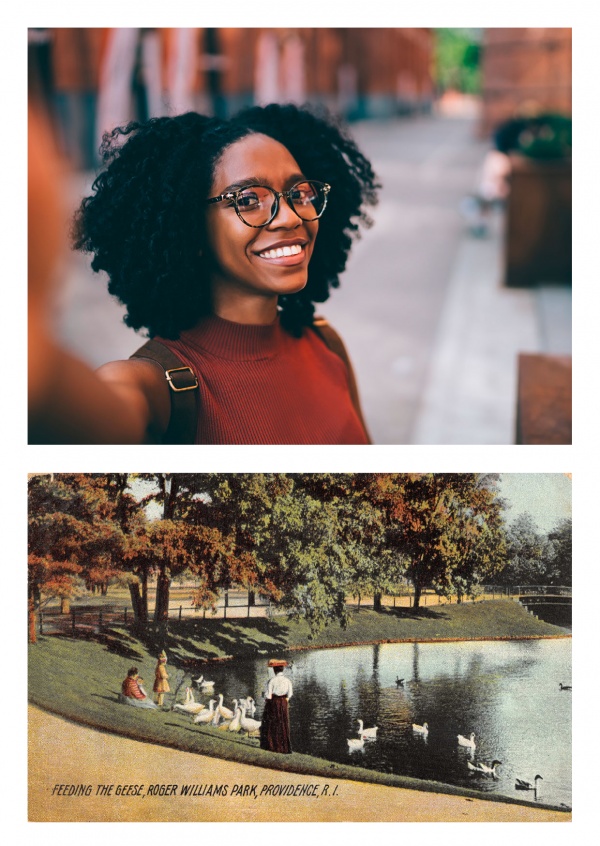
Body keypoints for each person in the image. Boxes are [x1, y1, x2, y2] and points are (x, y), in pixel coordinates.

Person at [67, 102, 378, 445]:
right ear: (191, 227)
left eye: (300, 193)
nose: (290, 217)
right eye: (247, 200)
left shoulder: (327, 345)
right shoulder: (155, 389)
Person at [260, 658, 293, 754]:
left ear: (274, 670)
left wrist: (265, 696)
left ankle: (272, 745)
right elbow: (290, 694)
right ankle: (284, 747)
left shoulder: (272, 681)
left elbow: (269, 695)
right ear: (282, 669)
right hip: (283, 702)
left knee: (273, 723)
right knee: (283, 722)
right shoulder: (287, 681)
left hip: (274, 702)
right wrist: (285, 701)